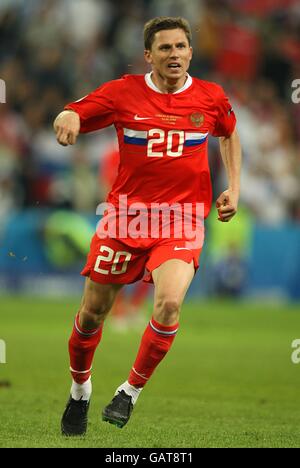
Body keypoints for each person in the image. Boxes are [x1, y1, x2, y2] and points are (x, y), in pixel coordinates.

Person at [53, 16, 241, 436]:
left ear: (191, 52)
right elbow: (79, 110)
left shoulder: (211, 97)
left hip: (183, 220)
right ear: (149, 56)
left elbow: (229, 134)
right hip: (125, 219)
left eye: (180, 47)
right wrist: (68, 115)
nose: (174, 55)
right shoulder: (123, 92)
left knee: (170, 304)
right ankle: (80, 391)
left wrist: (234, 186)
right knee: (91, 316)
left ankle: (129, 392)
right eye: (165, 48)